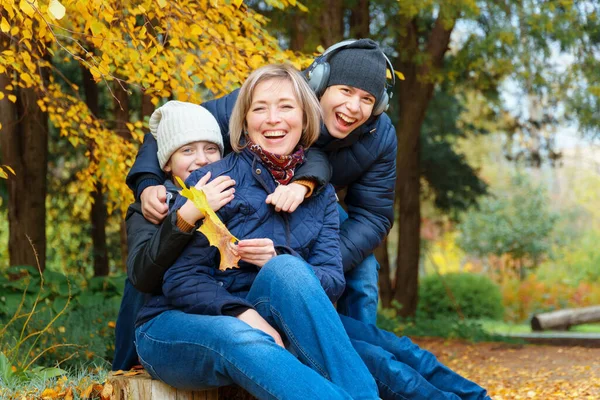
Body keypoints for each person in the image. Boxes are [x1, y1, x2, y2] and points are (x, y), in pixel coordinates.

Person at [132, 64, 380, 399]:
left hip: (261, 312)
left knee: (287, 268)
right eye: (260, 108)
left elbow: (333, 281)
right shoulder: (212, 183)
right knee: (244, 338)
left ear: (306, 118)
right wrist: (243, 313)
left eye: (286, 107)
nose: (273, 118)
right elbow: (180, 278)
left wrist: (276, 259)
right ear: (245, 122)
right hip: (184, 322)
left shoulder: (318, 194)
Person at [126, 38, 397, 325]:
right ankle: (134, 347)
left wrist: (304, 264)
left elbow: (373, 215)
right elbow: (176, 125)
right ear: (320, 83)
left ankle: (352, 344)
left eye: (367, 99)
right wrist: (147, 182)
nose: (353, 107)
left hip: (314, 209)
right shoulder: (271, 97)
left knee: (364, 269)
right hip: (244, 193)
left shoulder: (379, 137)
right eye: (345, 91)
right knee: (159, 231)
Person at [112, 100, 236, 371]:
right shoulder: (152, 206)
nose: (201, 159)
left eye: (211, 149)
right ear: (167, 164)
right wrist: (186, 216)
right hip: (165, 318)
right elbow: (141, 276)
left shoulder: (236, 196)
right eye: (187, 150)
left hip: (221, 312)